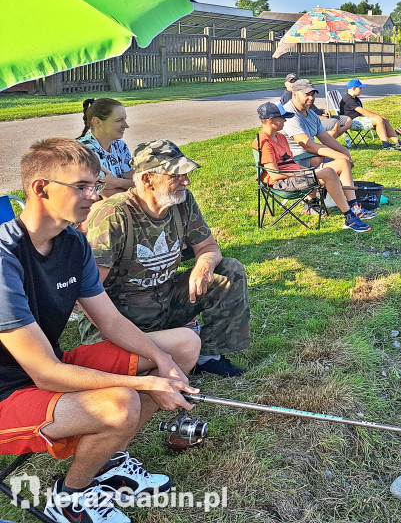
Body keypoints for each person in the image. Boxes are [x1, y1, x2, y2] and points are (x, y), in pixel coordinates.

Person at [1, 138, 200, 523]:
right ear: (41, 188)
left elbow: (109, 321)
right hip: (8, 391)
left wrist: (162, 361)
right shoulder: (5, 257)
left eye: (96, 185)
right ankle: (70, 497)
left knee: (183, 344)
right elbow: (44, 373)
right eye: (83, 186)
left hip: (47, 368)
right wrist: (148, 384)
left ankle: (108, 460)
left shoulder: (73, 241)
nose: (95, 195)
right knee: (121, 402)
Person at [82, 140, 250, 379]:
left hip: (165, 302)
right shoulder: (114, 214)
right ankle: (144, 355)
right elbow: (88, 291)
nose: (186, 181)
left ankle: (208, 357)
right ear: (148, 179)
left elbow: (209, 246)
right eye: (176, 175)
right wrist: (125, 337)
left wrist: (204, 263)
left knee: (229, 271)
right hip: (121, 320)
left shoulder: (181, 202)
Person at [253, 102, 370, 231]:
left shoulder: (280, 137)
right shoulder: (264, 142)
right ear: (272, 120)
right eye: (283, 118)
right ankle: (349, 218)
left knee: (341, 163)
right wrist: (306, 173)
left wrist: (309, 171)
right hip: (281, 183)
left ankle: (353, 207)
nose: (285, 120)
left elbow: (291, 164)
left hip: (296, 177)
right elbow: (274, 174)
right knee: (328, 172)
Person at [77, 98, 134, 197]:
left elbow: (138, 181)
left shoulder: (120, 145)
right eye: (119, 120)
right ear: (97, 122)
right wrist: (128, 185)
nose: (126, 125)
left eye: (125, 119)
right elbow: (107, 195)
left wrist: (117, 182)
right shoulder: (85, 151)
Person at [338, 79, 401, 150]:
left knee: (385, 120)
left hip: (359, 119)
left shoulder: (355, 98)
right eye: (360, 88)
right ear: (354, 88)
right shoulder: (348, 99)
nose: (361, 90)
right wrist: (377, 116)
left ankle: (398, 142)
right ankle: (385, 144)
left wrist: (378, 116)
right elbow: (363, 112)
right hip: (351, 121)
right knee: (378, 119)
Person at [281, 73, 348, 140]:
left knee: (347, 120)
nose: (311, 98)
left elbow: (325, 140)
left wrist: (322, 110)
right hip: (317, 121)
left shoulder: (310, 112)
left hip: (316, 117)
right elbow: (308, 145)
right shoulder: (289, 103)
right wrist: (320, 117)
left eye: (295, 81)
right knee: (335, 123)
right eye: (291, 81)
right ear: (286, 84)